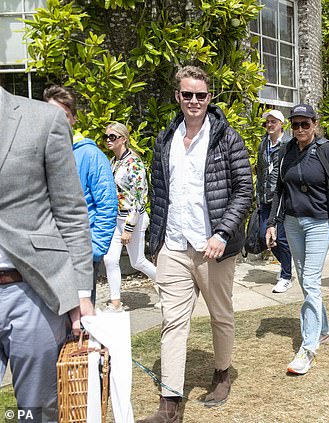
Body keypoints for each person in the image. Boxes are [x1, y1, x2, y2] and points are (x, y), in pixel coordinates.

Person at [141, 66, 253, 421]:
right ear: (178, 96)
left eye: (200, 95)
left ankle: (222, 372)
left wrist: (222, 233)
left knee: (220, 315)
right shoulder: (164, 139)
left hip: (212, 247)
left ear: (210, 98)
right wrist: (156, 242)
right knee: (172, 322)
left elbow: (244, 191)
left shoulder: (227, 138)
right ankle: (169, 403)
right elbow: (160, 193)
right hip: (173, 245)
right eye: (187, 94)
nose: (193, 101)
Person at [0, 87, 94, 422]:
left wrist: (82, 294)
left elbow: (70, 212)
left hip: (32, 292)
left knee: (36, 412)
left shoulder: (44, 119)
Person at [265, 103, 329, 375]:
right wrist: (272, 223)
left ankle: (308, 348)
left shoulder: (328, 152)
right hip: (291, 222)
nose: (300, 129)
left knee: (311, 281)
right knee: (304, 279)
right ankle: (324, 330)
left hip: (318, 224)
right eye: (296, 124)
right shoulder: (286, 151)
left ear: (315, 124)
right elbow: (280, 190)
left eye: (305, 124)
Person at [43, 85, 118, 304]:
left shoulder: (90, 155)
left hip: (80, 256)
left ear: (74, 119)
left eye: (63, 115)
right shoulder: (40, 152)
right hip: (48, 256)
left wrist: (93, 251)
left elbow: (107, 206)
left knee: (79, 327)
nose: (56, 120)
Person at [102, 122, 157, 312]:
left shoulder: (134, 163)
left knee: (138, 261)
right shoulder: (114, 162)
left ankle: (171, 290)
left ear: (123, 139)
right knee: (110, 260)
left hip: (133, 219)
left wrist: (129, 227)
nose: (108, 140)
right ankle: (115, 303)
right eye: (106, 137)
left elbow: (140, 197)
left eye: (113, 137)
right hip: (117, 219)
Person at [256, 109, 293, 293]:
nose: (269, 125)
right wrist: (258, 197)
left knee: (282, 239)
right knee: (265, 237)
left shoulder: (287, 144)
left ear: (281, 125)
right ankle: (286, 265)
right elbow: (260, 171)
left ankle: (286, 276)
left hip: (281, 199)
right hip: (265, 199)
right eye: (267, 122)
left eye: (273, 122)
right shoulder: (263, 144)